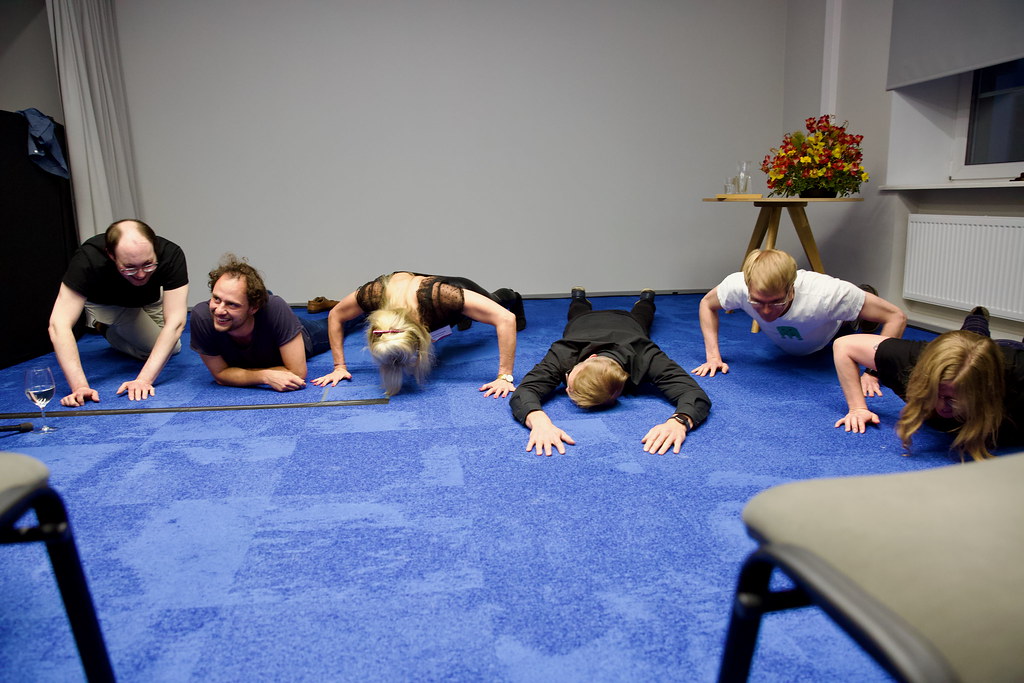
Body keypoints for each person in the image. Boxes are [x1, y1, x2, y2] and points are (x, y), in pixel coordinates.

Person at [509, 288, 711, 456]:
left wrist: (679, 422)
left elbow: (694, 394)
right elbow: (525, 391)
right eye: (569, 383)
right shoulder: (565, 353)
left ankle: (646, 300)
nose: (565, 385)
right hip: (583, 322)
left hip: (629, 323)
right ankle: (579, 298)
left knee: (642, 316)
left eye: (568, 383)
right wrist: (539, 422)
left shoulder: (646, 355)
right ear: (590, 358)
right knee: (577, 312)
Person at [693, 248, 907, 395]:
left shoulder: (827, 293)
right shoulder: (736, 285)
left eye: (776, 302)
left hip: (831, 331)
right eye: (757, 302)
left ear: (791, 288)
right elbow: (707, 304)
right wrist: (713, 357)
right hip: (791, 341)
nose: (766, 311)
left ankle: (863, 301)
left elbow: (896, 316)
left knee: (854, 318)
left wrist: (873, 372)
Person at [832, 307, 1024, 461]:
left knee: (978, 346)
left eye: (952, 399)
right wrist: (857, 408)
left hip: (1010, 354)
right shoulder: (912, 362)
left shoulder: (1016, 386)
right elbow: (844, 346)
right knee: (970, 339)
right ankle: (977, 317)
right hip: (961, 351)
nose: (941, 406)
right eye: (934, 393)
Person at [311, 272, 526, 397]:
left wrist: (504, 376)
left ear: (420, 339)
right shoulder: (371, 295)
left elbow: (506, 319)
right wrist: (339, 367)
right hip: (406, 289)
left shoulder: (443, 297)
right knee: (455, 319)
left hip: (444, 290)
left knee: (494, 303)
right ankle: (462, 318)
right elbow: (335, 315)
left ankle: (513, 297)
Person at [48, 219, 189, 406]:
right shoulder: (88, 259)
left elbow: (176, 323)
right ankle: (106, 328)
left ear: (155, 248)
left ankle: (112, 328)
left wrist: (144, 380)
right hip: (110, 305)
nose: (141, 274)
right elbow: (58, 325)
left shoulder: (171, 253)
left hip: (150, 299)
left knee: (171, 345)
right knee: (164, 348)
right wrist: (79, 386)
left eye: (148, 264)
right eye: (129, 267)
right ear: (111, 255)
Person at [190, 255, 333, 391]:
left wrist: (237, 374)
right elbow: (220, 375)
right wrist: (264, 376)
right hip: (266, 319)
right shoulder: (203, 317)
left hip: (299, 332)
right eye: (216, 299)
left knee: (336, 324)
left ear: (253, 308)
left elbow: (297, 373)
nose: (219, 310)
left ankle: (343, 308)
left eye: (232, 304)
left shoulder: (275, 308)